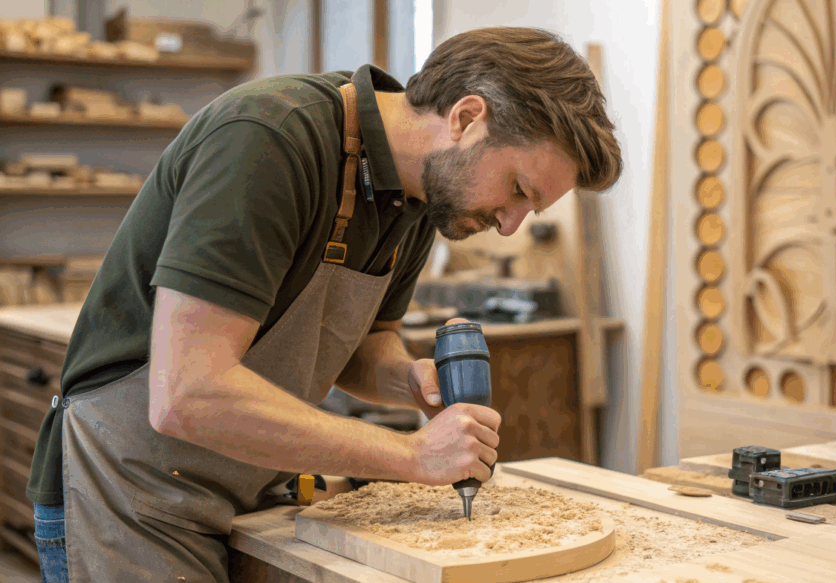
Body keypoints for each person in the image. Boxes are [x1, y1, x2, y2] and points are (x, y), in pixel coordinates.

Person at [27, 26, 623, 582]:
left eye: (530, 210)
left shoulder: (421, 199)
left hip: (247, 490)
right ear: (466, 118)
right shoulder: (269, 139)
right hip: (130, 492)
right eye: (517, 189)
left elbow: (360, 346)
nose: (511, 225)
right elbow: (188, 393)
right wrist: (411, 455)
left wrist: (408, 381)